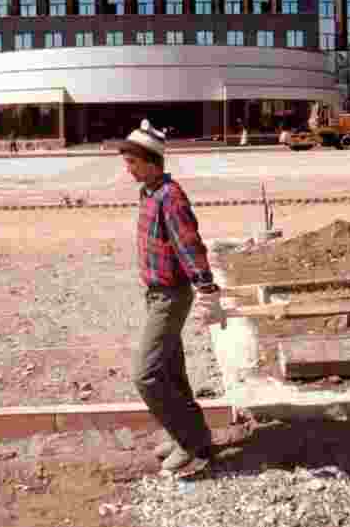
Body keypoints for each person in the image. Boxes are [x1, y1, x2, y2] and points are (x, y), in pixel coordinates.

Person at [118, 119, 225, 474]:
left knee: (146, 375)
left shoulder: (171, 197)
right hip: (155, 295)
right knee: (170, 372)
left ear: (151, 161)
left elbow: (188, 245)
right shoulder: (148, 193)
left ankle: (191, 445)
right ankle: (192, 436)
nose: (127, 169)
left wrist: (207, 287)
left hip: (171, 297)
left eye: (132, 162)